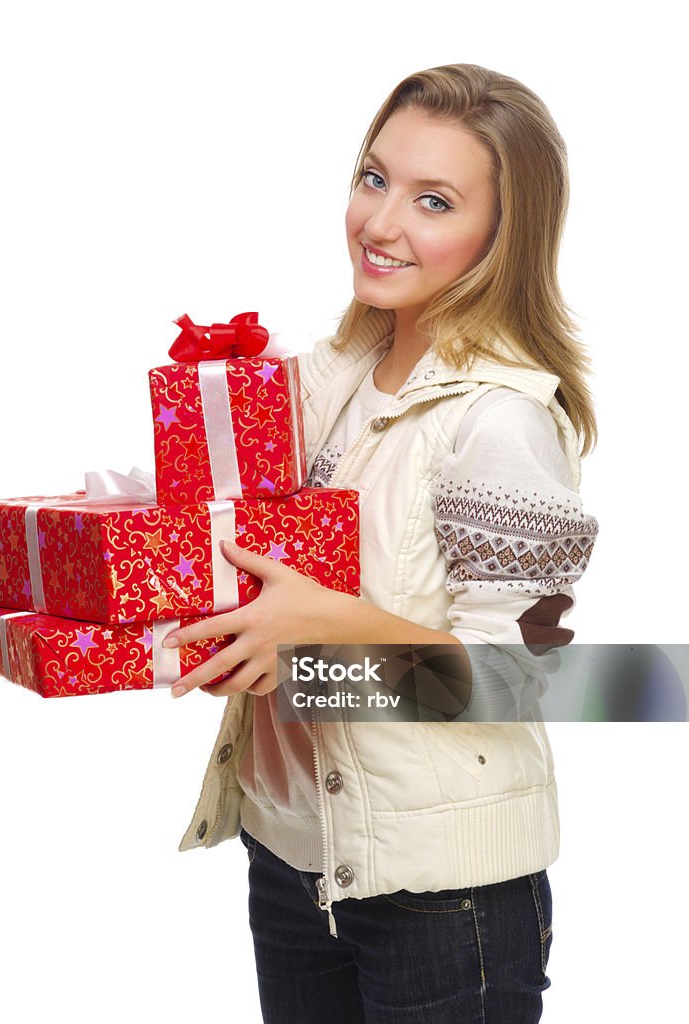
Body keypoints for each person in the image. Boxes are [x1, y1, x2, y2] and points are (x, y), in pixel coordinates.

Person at [160, 63, 598, 1023]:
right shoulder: (326, 382)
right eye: (373, 178)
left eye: (433, 200)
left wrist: (321, 643)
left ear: (499, 235)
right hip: (291, 858)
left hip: (442, 894)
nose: (381, 222)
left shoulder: (499, 420)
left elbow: (517, 679)